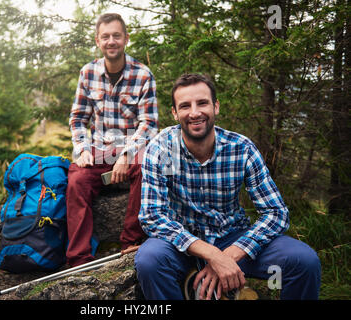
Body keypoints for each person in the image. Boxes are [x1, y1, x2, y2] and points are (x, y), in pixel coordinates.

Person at [134, 73, 321, 300]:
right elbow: (152, 216)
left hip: (233, 237)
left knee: (305, 262)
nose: (194, 113)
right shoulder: (161, 150)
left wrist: (230, 255)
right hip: (182, 244)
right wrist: (211, 254)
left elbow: (276, 213)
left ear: (216, 107)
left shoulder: (241, 148)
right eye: (185, 106)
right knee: (149, 260)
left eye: (202, 103)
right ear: (174, 113)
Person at [66, 13, 158, 267]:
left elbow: (149, 124)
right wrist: (83, 149)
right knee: (76, 179)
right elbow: (77, 119)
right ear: (98, 41)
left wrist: (127, 155)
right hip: (99, 151)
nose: (111, 41)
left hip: (132, 150)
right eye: (105, 36)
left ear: (126, 39)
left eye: (117, 35)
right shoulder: (88, 73)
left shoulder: (143, 75)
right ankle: (79, 258)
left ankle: (130, 243)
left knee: (149, 169)